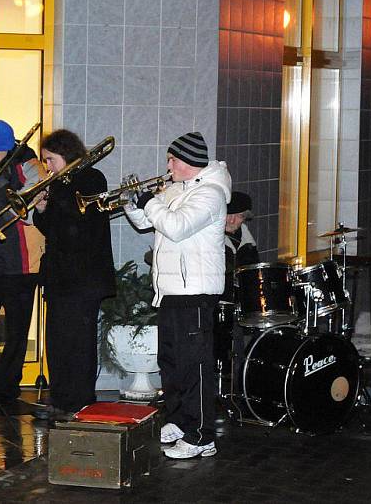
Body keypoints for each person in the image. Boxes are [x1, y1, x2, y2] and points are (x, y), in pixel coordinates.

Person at [124, 131, 231, 459]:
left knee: (194, 365)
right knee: (170, 361)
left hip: (195, 291)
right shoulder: (176, 188)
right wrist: (133, 201)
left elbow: (176, 226)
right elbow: (146, 223)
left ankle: (202, 436)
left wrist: (151, 202)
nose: (167, 165)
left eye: (172, 160)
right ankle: (179, 421)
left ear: (188, 163)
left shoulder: (212, 193)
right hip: (170, 289)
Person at [32, 129, 115, 420]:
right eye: (45, 161)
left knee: (78, 342)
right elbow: (55, 230)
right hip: (59, 277)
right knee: (57, 341)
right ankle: (60, 398)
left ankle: (80, 401)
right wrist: (41, 210)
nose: (47, 167)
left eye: (50, 160)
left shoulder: (92, 177)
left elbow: (81, 225)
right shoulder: (58, 184)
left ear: (66, 154)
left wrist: (55, 196)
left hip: (84, 278)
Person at [0, 120, 46, 404]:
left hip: (23, 262)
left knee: (17, 332)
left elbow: (36, 196)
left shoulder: (30, 164)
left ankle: (7, 388)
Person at [223, 191, 259, 302]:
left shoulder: (247, 240)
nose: (232, 220)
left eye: (239, 216)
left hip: (242, 302)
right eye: (228, 214)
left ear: (245, 218)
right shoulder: (209, 239)